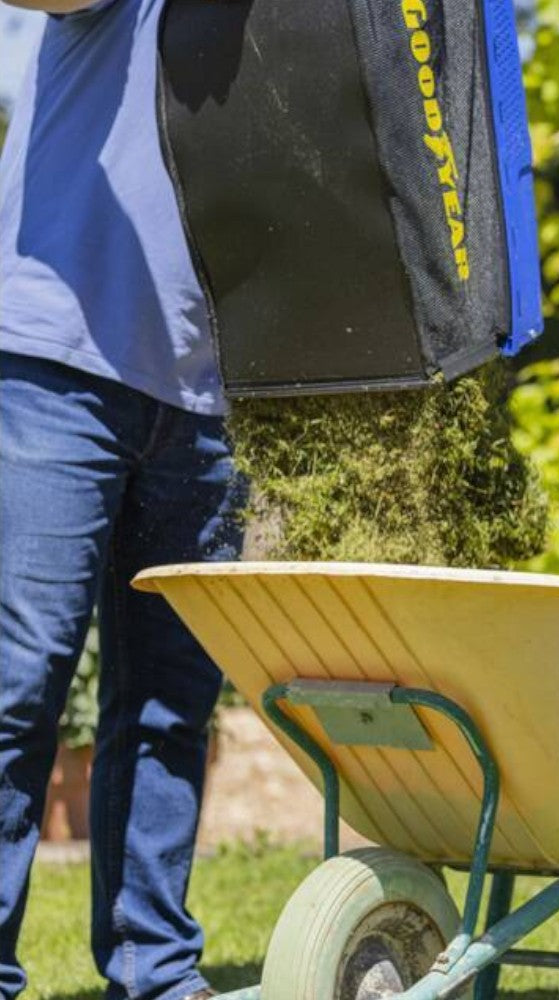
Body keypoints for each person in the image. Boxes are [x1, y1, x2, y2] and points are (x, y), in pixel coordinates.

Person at [0, 0, 244, 994]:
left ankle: (157, 973)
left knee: (169, 706)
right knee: (18, 681)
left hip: (215, 393)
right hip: (57, 359)